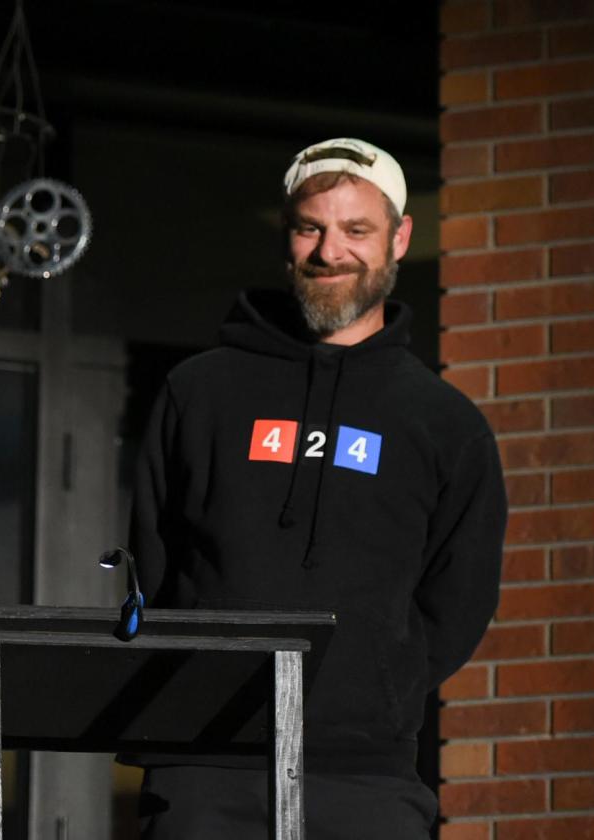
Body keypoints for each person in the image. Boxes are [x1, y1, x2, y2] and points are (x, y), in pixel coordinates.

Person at [129, 138, 506, 839]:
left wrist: (377, 681)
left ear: (399, 238)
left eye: (357, 230)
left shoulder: (444, 424)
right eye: (311, 228)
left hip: (367, 773)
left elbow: (460, 598)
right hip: (202, 766)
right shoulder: (199, 392)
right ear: (288, 235)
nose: (330, 252)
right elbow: (154, 557)